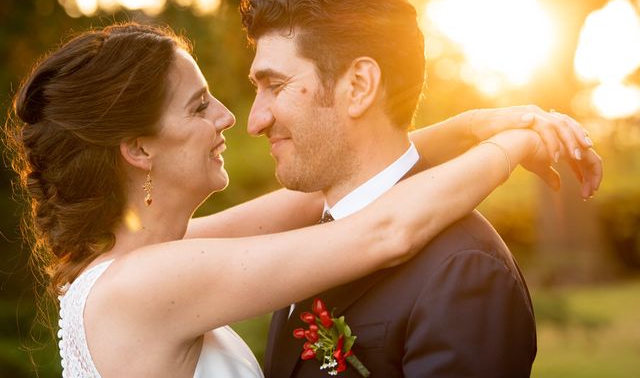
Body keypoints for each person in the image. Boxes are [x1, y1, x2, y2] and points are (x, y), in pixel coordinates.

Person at [4, 21, 598, 378]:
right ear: (138, 148)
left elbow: (319, 200)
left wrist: (472, 126)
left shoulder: (135, 263)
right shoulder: (148, 283)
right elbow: (381, 232)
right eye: (197, 105)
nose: (231, 117)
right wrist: (516, 146)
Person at [237, 0, 602, 377]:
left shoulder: (464, 270)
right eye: (257, 88)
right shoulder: (302, 240)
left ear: (358, 86)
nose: (255, 121)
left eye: (276, 86)